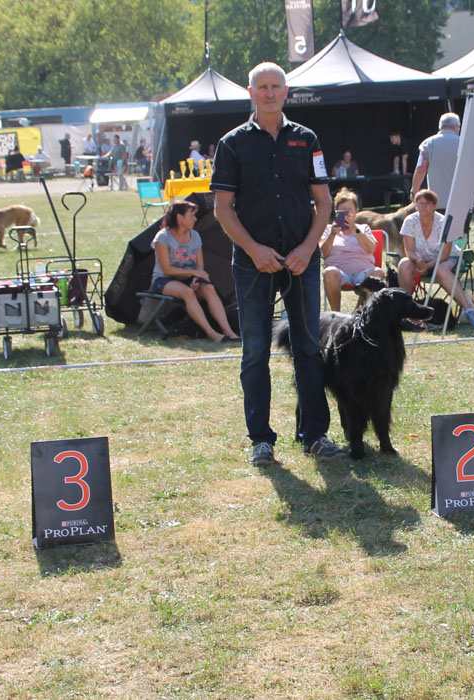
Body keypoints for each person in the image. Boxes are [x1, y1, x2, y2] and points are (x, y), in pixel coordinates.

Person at [211, 60, 343, 466]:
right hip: (252, 265)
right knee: (255, 353)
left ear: (286, 92)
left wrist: (308, 248)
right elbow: (222, 209)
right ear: (250, 93)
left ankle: (315, 435)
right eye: (261, 87)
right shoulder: (232, 144)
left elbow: (324, 203)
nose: (269, 93)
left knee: (308, 347)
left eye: (276, 86)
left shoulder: (307, 139)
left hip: (301, 262)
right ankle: (261, 441)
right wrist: (253, 249)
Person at [150, 200, 239, 342]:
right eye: (191, 215)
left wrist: (197, 279)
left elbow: (199, 266)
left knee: (209, 288)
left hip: (188, 278)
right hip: (164, 279)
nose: (195, 219)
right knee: (188, 292)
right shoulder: (163, 237)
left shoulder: (195, 236)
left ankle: (228, 331)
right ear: (179, 217)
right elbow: (166, 268)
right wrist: (193, 274)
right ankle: (212, 333)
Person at [398, 189, 474, 327]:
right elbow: (409, 250)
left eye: (427, 203)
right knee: (404, 264)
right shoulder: (410, 221)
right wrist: (418, 261)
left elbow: (445, 253)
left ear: (434, 206)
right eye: (420, 203)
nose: (423, 206)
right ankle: (405, 310)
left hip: (448, 259)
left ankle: (469, 310)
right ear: (415, 205)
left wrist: (428, 265)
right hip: (422, 261)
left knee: (440, 270)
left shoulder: (443, 222)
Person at [320, 187, 384, 311]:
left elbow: (371, 248)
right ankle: (336, 314)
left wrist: (355, 230)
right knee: (329, 272)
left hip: (363, 272)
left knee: (378, 273)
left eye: (350, 209)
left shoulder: (363, 228)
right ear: (336, 211)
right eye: (343, 210)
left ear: (356, 212)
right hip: (339, 272)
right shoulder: (328, 230)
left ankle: (358, 312)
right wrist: (332, 235)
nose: (347, 212)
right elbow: (323, 254)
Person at [412, 113, 460, 208]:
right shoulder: (464, 143)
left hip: (436, 202)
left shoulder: (427, 144)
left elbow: (420, 169)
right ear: (455, 127)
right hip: (459, 202)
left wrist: (414, 192)